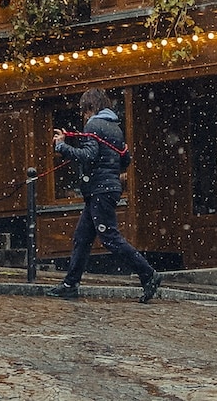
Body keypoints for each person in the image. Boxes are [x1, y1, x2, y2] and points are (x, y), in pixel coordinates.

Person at [46, 88, 162, 303]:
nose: (84, 115)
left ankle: (148, 274)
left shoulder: (94, 125)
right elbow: (125, 160)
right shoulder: (115, 127)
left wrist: (62, 147)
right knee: (82, 237)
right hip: (106, 189)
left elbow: (88, 156)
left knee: (110, 238)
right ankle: (70, 284)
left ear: (91, 107)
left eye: (84, 110)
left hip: (100, 190)